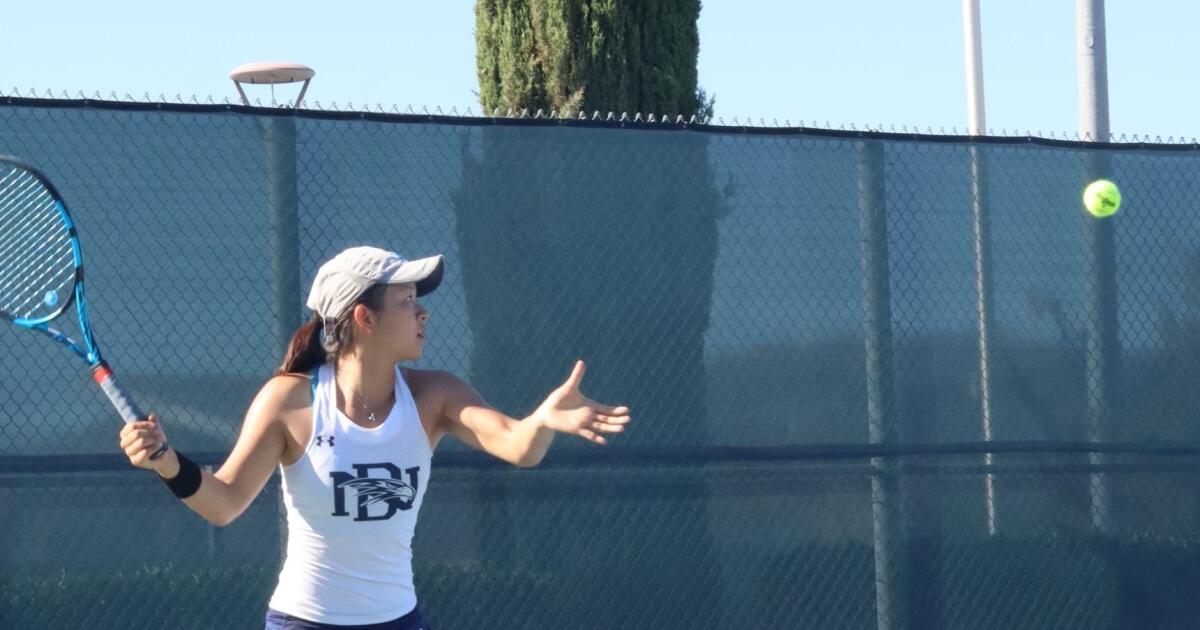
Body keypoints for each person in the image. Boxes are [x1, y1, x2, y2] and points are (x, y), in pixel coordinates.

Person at [118, 246, 631, 630]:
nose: (423, 313)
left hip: (399, 620)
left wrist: (541, 421)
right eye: (408, 301)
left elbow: (520, 446)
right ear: (364, 317)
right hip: (305, 621)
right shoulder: (289, 402)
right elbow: (224, 502)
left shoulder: (437, 396)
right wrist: (166, 462)